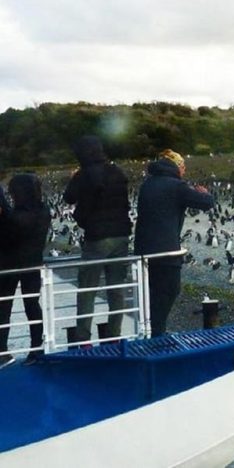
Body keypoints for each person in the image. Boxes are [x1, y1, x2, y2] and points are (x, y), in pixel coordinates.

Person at [134, 149, 214, 337]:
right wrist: (205, 193)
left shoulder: (147, 184)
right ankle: (157, 337)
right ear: (176, 167)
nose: (184, 171)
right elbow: (206, 203)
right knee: (168, 291)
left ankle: (150, 333)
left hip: (144, 251)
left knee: (150, 296)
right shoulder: (176, 186)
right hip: (165, 253)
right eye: (183, 167)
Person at [63, 136, 132, 342]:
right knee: (115, 288)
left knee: (87, 288)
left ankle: (83, 338)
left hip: (97, 238)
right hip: (121, 235)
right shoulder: (117, 171)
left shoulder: (84, 175)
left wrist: (74, 177)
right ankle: (114, 335)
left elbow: (68, 198)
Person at [0, 174, 51, 367]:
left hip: (9, 266)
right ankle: (36, 348)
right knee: (32, 305)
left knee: (4, 308)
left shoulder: (16, 217)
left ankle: (2, 351)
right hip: (33, 263)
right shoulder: (44, 210)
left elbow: (7, 233)